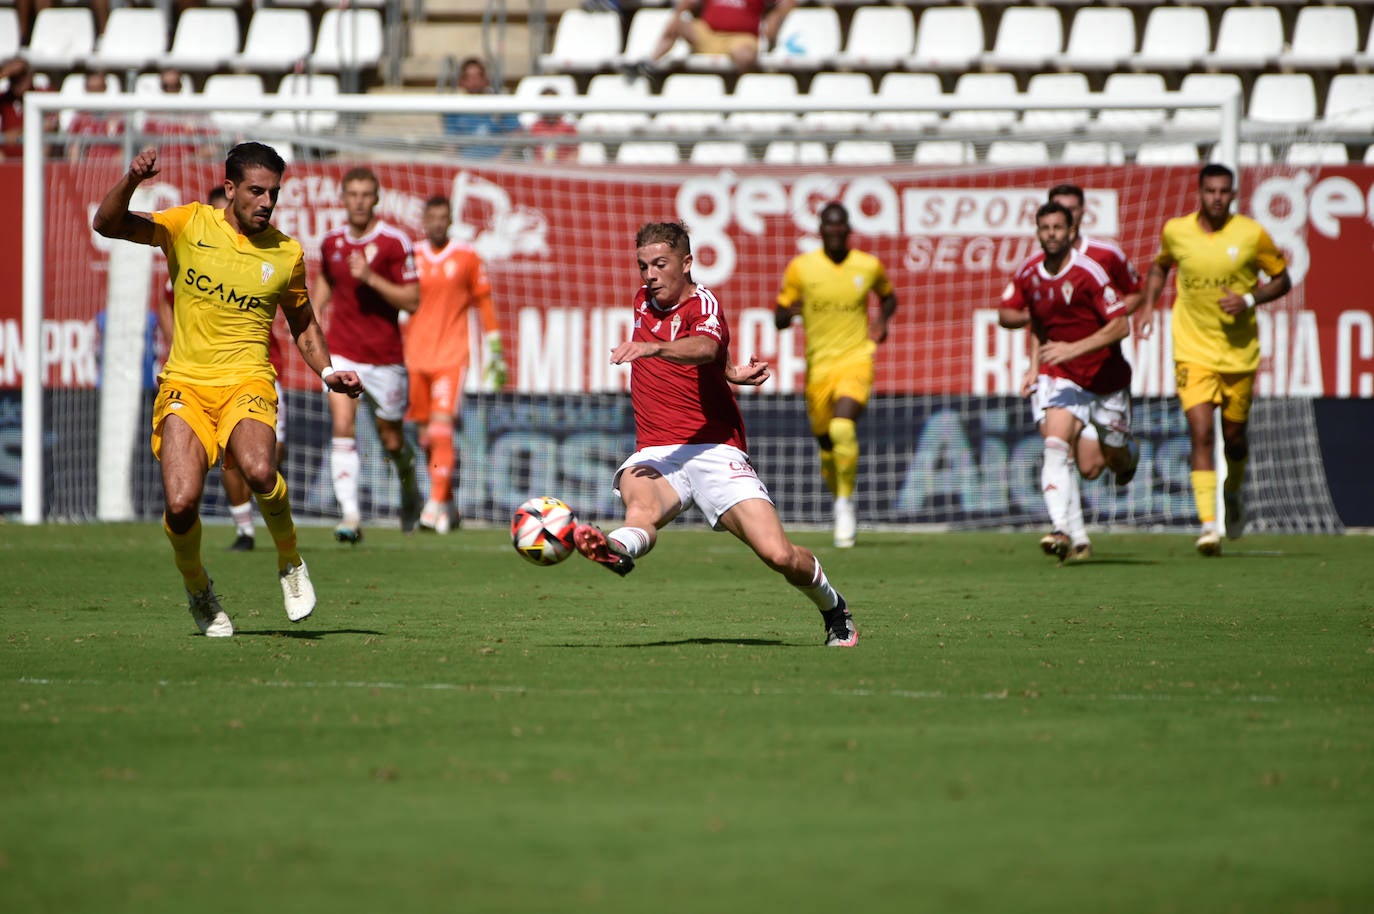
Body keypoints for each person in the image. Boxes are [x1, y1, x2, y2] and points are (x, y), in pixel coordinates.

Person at [92, 142, 364, 637]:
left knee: (261, 470)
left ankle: (290, 561)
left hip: (247, 379)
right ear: (231, 188)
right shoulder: (188, 225)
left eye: (274, 193)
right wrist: (131, 180)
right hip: (186, 385)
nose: (266, 202)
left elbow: (304, 324)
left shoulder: (286, 253)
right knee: (180, 505)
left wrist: (328, 373)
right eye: (257, 191)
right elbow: (107, 224)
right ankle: (198, 588)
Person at [573, 221, 857, 648]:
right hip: (658, 450)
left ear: (686, 264)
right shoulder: (644, 300)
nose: (649, 274)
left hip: (713, 448)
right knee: (640, 512)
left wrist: (653, 349)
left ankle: (833, 608)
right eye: (643, 265)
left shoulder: (704, 304)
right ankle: (612, 547)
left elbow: (705, 346)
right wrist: (730, 374)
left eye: (660, 264)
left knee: (778, 555)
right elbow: (713, 356)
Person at [1139, 163, 1291, 556]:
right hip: (1192, 351)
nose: (1217, 198)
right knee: (1202, 433)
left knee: (1235, 439)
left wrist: (1249, 299)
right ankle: (1209, 526)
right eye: (1211, 191)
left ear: (1233, 194)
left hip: (1239, 354)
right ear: (1200, 193)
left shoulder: (1251, 234)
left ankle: (1233, 490)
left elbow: (1282, 278)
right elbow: (1159, 266)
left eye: (1224, 191)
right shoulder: (1176, 231)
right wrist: (1147, 307)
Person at [999, 202, 1139, 563]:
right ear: (1037, 232)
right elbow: (1028, 320)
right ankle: (1064, 531)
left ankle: (1127, 457)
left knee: (1101, 464)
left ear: (1070, 230)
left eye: (1057, 228)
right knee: (1055, 446)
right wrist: (1034, 366)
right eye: (1044, 228)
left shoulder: (1089, 272)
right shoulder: (1030, 274)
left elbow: (1121, 325)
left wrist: (1073, 348)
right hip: (1061, 376)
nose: (1051, 234)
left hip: (1105, 378)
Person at [155, 185, 290, 552]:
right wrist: (174, 352)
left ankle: (286, 549)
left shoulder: (274, 251)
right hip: (196, 378)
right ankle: (244, 528)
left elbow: (301, 312)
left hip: (257, 370)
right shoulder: (193, 249)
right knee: (221, 469)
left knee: (263, 462)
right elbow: (166, 303)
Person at [773, 201, 897, 549]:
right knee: (827, 447)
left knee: (844, 427)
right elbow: (779, 318)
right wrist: (791, 311)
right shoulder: (802, 268)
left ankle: (845, 505)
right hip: (818, 369)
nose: (835, 233)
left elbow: (889, 298)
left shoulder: (868, 265)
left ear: (848, 230)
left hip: (856, 360)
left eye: (841, 227)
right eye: (829, 227)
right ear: (821, 231)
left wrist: (881, 322)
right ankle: (838, 493)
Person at [315, 166, 422, 542]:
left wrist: (371, 278)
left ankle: (410, 489)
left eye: (366, 195)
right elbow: (326, 279)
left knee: (391, 440)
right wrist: (309, 315)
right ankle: (350, 516)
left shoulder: (395, 243)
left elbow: (413, 299)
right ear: (342, 199)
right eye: (352, 194)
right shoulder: (330, 243)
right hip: (342, 351)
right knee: (342, 426)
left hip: (385, 359)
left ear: (376, 199)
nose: (359, 202)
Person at [405, 194, 506, 533]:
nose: (436, 223)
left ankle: (432, 508)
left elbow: (484, 302)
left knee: (441, 428)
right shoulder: (412, 255)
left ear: (449, 220)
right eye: (431, 217)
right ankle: (448, 503)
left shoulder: (466, 256)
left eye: (442, 217)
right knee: (424, 438)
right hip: (415, 356)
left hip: (451, 355)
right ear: (425, 220)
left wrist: (495, 350)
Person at [651, 0, 798, 72]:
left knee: (745, 56)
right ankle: (651, 62)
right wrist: (678, 13)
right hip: (708, 34)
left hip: (741, 38)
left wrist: (775, 17)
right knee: (677, 24)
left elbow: (789, 1)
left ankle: (747, 91)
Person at [442, 57, 519, 160]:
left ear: (486, 79)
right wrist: (455, 165)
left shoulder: (499, 106)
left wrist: (500, 162)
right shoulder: (455, 110)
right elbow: (450, 144)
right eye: (469, 78)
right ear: (461, 81)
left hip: (498, 167)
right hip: (466, 165)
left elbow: (516, 135)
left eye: (477, 77)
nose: (474, 82)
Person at [66, 71, 122, 162]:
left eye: (99, 89)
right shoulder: (80, 117)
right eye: (92, 89)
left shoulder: (115, 117)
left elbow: (124, 149)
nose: (96, 94)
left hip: (111, 169)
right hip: (86, 169)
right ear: (86, 89)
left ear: (105, 88)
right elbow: (73, 149)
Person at [526, 87, 578, 164]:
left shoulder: (568, 127)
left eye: (552, 102)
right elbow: (530, 151)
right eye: (546, 103)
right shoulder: (535, 126)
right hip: (540, 170)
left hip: (562, 169)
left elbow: (575, 151)